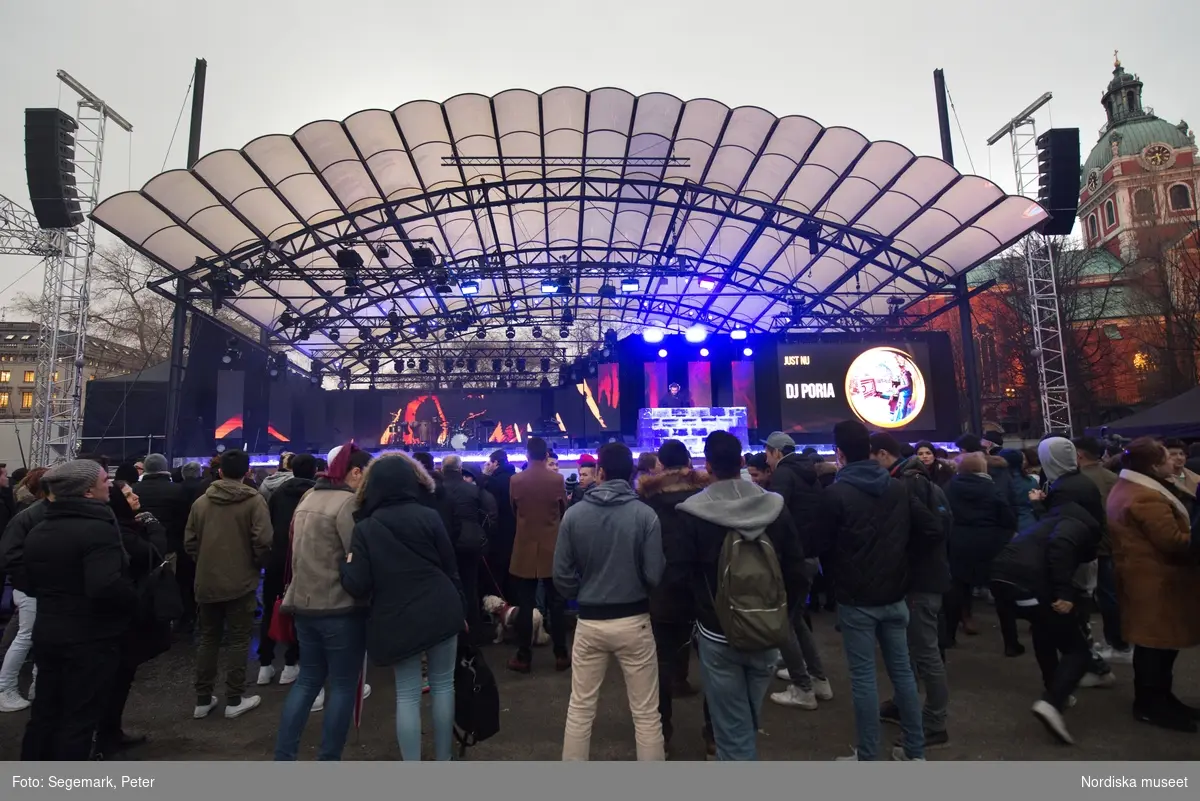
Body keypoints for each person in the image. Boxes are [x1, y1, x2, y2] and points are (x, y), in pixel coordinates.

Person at [673, 430, 808, 761]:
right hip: (767, 629)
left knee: (732, 728)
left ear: (707, 465)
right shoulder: (774, 507)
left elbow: (680, 575)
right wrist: (783, 618)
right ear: (743, 462)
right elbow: (797, 570)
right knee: (744, 720)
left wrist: (698, 618)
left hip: (717, 632)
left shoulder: (692, 513)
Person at [818, 421, 941, 762]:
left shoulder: (835, 494)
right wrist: (901, 560)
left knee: (864, 679)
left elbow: (817, 543)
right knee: (902, 673)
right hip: (895, 595)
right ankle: (915, 752)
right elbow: (931, 528)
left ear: (839, 453)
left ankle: (868, 756)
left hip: (856, 600)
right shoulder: (898, 488)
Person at [340, 454, 468, 761]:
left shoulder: (366, 527)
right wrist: (461, 609)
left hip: (397, 616)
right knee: (443, 685)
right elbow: (451, 567)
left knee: (408, 694)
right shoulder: (429, 516)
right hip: (442, 609)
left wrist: (343, 566)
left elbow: (357, 584)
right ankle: (444, 760)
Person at [555, 442, 665, 761]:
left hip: (590, 621)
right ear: (630, 473)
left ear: (600, 472)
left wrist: (581, 594)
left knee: (580, 708)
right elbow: (655, 573)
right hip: (634, 620)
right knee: (646, 714)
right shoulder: (646, 515)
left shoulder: (574, 515)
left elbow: (561, 575)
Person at [20, 460, 135, 760]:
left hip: (48, 632)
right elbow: (106, 586)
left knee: (45, 714)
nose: (109, 484)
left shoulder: (38, 530)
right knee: (79, 719)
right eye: (102, 480)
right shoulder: (99, 530)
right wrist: (133, 599)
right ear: (86, 492)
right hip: (89, 638)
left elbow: (27, 582)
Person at [274, 444, 373, 760]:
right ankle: (328, 760)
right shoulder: (346, 504)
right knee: (343, 686)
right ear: (355, 472)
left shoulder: (308, 498)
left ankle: (284, 757)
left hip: (304, 606)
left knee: (306, 683)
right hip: (338, 608)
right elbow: (355, 555)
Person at [990, 477, 1102, 745]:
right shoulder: (1078, 523)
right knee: (1077, 650)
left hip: (1002, 577)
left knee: (1044, 627)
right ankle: (1052, 701)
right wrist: (1064, 593)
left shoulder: (1056, 516)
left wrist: (1038, 506)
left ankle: (1055, 687)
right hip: (1030, 582)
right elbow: (1060, 547)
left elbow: (1049, 537)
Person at [1106, 437, 1198, 733]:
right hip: (1156, 581)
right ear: (1153, 465)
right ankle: (1150, 705)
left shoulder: (1130, 487)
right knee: (1155, 647)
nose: (1174, 460)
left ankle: (1162, 699)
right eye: (1167, 457)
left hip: (1146, 577)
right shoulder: (1145, 496)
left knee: (1158, 646)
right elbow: (1172, 541)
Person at [869, 432, 952, 750]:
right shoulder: (918, 479)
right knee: (913, 650)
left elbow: (933, 530)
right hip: (925, 578)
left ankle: (934, 722)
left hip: (921, 581)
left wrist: (899, 552)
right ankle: (904, 705)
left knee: (926, 653)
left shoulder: (907, 483)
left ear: (882, 455)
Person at [185, 449, 272, 721]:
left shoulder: (201, 502)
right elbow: (264, 541)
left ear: (219, 471)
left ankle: (202, 699)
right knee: (238, 639)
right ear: (247, 472)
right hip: (241, 581)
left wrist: (206, 562)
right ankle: (234, 698)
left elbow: (189, 542)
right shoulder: (254, 501)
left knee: (208, 639)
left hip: (207, 581)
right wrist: (254, 565)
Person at [637, 439, 709, 749]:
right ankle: (714, 737)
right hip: (703, 590)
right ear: (690, 462)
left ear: (661, 466)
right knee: (713, 665)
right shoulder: (706, 498)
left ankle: (662, 736)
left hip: (662, 591)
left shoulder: (646, 503)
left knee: (660, 664)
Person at [95, 480, 171, 758]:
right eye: (128, 494)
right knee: (114, 679)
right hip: (124, 614)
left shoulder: (124, 526)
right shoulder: (122, 532)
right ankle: (102, 739)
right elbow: (152, 553)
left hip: (129, 612)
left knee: (122, 677)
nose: (135, 496)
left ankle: (110, 732)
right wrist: (153, 525)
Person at [762, 432, 830, 712]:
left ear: (776, 452)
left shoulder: (784, 476)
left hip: (791, 558)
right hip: (810, 555)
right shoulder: (809, 473)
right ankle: (818, 678)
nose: (766, 459)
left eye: (767, 454)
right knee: (797, 619)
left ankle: (803, 688)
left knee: (784, 623)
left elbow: (774, 515)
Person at [506, 437, 569, 673]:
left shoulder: (516, 480)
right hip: (552, 547)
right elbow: (563, 509)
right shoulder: (557, 479)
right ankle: (561, 653)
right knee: (557, 603)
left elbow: (514, 509)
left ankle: (524, 656)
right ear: (546, 455)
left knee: (524, 604)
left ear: (527, 455)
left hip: (524, 547)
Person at [943, 452, 1017, 649]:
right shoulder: (992, 488)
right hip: (990, 544)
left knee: (957, 591)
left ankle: (948, 636)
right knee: (1001, 593)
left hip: (959, 544)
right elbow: (1008, 518)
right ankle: (1011, 643)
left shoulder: (949, 488)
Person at [257, 453, 317, 686]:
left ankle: (265, 664)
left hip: (277, 557)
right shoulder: (314, 495)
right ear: (314, 470)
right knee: (299, 610)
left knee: (272, 606)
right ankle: (291, 664)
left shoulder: (279, 493)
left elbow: (268, 523)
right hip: (302, 557)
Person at [0, 466, 56, 713]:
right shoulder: (29, 515)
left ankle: (36, 686)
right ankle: (5, 688)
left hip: (38, 587)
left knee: (38, 637)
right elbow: (11, 555)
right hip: (32, 588)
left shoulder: (41, 513)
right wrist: (31, 584)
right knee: (26, 637)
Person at [1072, 436, 1127, 665]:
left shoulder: (1079, 481)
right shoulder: (1113, 477)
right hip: (1114, 542)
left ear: (1080, 454)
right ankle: (1119, 641)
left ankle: (1107, 645)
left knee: (1088, 596)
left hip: (1092, 545)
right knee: (1111, 595)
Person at [439, 454, 497, 640]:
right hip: (471, 544)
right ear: (460, 468)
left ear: (442, 468)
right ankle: (473, 632)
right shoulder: (472, 490)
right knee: (470, 586)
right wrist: (482, 535)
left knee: (446, 587)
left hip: (444, 544)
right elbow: (490, 514)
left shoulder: (436, 491)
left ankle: (449, 632)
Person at [480, 450, 517, 600]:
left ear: (495, 463)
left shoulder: (493, 482)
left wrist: (485, 475)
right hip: (515, 530)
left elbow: (486, 504)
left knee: (498, 572)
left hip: (498, 533)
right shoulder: (515, 478)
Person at [1163, 438, 1198, 503]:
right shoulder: (1161, 480)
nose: (1179, 458)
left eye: (1181, 454)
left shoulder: (1196, 479)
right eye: (1173, 454)